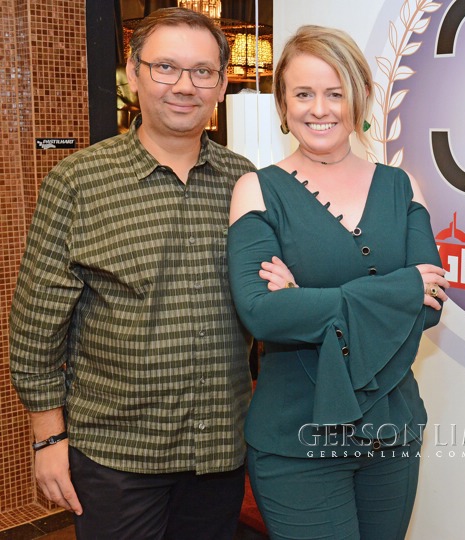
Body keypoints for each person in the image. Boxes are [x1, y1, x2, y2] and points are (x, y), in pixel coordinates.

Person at [9, 8, 256, 539]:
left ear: (220, 85)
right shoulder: (78, 182)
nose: (184, 86)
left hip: (218, 452)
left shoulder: (245, 182)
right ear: (134, 73)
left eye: (202, 71)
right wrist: (48, 439)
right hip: (116, 459)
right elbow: (35, 329)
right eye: (165, 67)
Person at [227, 25, 449, 540]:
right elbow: (261, 313)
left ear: (360, 97)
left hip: (391, 432)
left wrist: (302, 300)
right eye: (303, 94)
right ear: (283, 104)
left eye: (335, 93)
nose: (319, 109)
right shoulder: (256, 189)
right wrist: (398, 289)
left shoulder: (401, 186)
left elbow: (430, 304)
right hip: (295, 441)